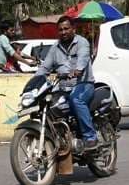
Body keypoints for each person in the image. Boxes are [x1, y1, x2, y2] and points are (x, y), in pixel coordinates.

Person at [36, 16, 98, 149]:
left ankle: (90, 136)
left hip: (83, 84)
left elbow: (83, 58)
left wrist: (77, 70)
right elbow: (45, 67)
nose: (63, 32)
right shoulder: (55, 48)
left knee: (76, 100)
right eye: (60, 30)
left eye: (66, 29)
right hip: (63, 87)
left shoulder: (82, 43)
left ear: (73, 29)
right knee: (50, 104)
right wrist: (35, 80)